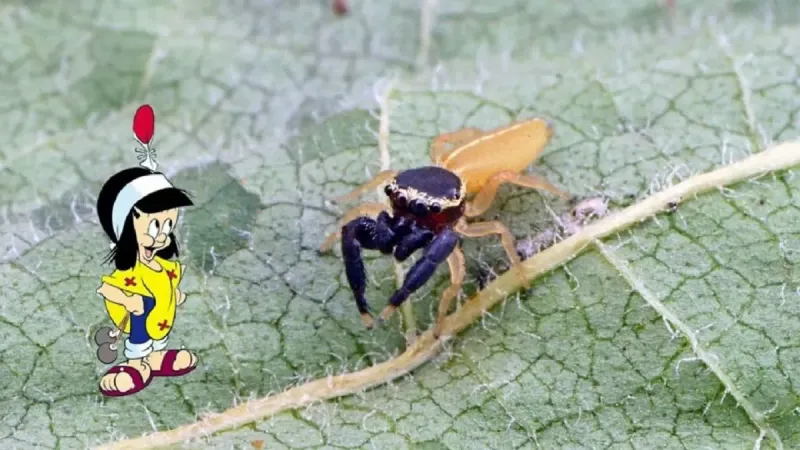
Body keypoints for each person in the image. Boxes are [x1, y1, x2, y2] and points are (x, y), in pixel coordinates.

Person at [94, 105, 198, 396]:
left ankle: (155, 357)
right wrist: (128, 299)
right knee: (142, 325)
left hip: (160, 318)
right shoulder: (130, 269)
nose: (164, 234)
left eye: (168, 225)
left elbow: (169, 280)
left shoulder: (162, 264)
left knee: (159, 326)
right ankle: (136, 363)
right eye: (155, 226)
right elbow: (107, 288)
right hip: (138, 315)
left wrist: (174, 293)